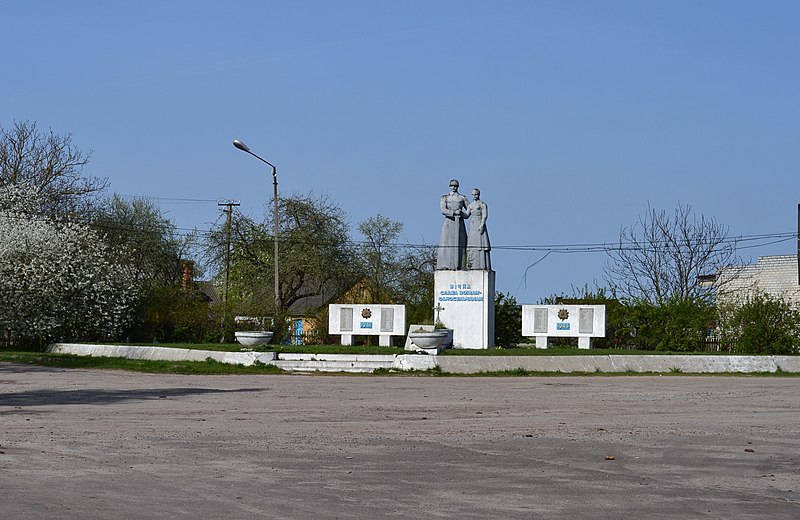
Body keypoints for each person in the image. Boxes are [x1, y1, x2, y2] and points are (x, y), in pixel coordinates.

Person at [436, 179, 468, 270]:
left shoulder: (462, 198)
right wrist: (453, 212)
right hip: (448, 222)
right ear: (449, 186)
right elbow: (442, 210)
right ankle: (445, 265)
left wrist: (461, 214)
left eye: (455, 186)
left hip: (460, 223)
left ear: (458, 187)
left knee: (461, 243)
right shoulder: (445, 197)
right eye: (452, 185)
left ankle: (460, 265)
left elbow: (468, 212)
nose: (453, 187)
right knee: (446, 243)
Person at [464, 188, 491, 270]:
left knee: (481, 244)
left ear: (479, 194)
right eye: (472, 194)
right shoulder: (470, 205)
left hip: (479, 224)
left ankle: (482, 264)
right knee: (472, 244)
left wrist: (482, 225)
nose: (474, 196)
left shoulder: (483, 204)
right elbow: (466, 215)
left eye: (475, 194)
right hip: (472, 225)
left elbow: (485, 216)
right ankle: (471, 264)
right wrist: (458, 213)